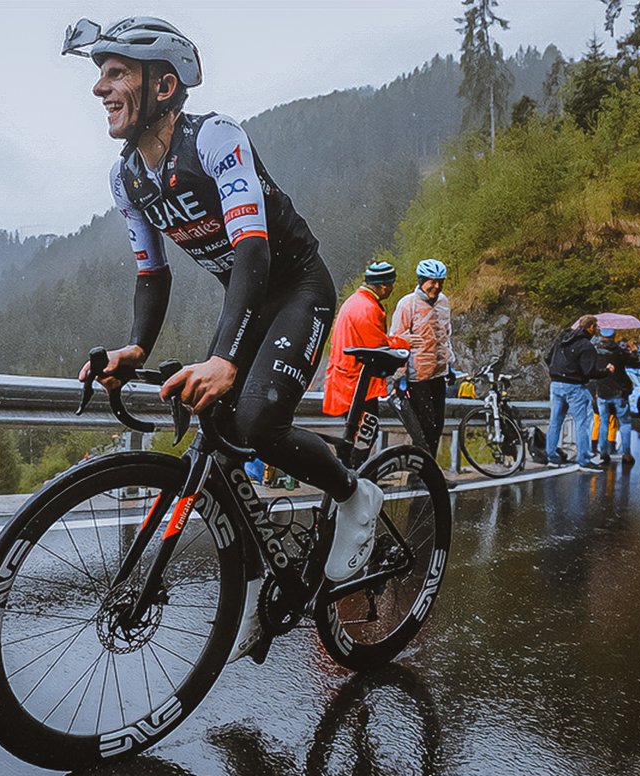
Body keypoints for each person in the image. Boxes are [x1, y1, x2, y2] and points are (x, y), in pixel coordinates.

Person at [63, 17, 383, 661]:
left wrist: (228, 359)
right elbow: (150, 275)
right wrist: (135, 349)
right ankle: (267, 583)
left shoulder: (215, 139)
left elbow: (254, 251)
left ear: (164, 86)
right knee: (219, 429)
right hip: (248, 298)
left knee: (260, 421)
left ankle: (357, 495)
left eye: (115, 72)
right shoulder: (127, 179)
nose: (100, 87)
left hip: (293, 285)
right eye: (99, 73)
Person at [323, 261, 408, 423]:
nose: (391, 289)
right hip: (357, 384)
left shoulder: (355, 301)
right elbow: (378, 347)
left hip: (346, 381)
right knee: (363, 436)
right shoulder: (368, 308)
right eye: (391, 285)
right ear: (384, 287)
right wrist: (404, 343)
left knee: (356, 434)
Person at [389, 259, 454, 456]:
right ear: (421, 280)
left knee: (437, 427)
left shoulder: (444, 302)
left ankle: (429, 473)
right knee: (425, 427)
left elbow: (446, 336)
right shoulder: (407, 304)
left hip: (438, 375)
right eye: (432, 281)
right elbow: (395, 340)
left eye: (440, 281)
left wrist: (449, 364)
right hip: (417, 377)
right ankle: (419, 474)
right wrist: (399, 376)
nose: (436, 286)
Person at [545, 315, 612, 472]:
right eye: (595, 326)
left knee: (555, 421)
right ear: (589, 327)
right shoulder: (586, 346)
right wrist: (607, 371)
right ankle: (584, 459)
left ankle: (552, 456)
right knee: (582, 423)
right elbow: (589, 372)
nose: (597, 329)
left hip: (555, 385)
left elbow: (547, 357)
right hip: (574, 387)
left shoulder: (561, 339)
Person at [593, 329, 640, 466]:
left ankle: (603, 452)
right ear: (614, 336)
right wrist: (634, 350)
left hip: (602, 391)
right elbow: (638, 363)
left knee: (604, 422)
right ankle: (626, 454)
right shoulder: (620, 352)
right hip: (619, 392)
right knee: (625, 423)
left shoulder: (595, 351)